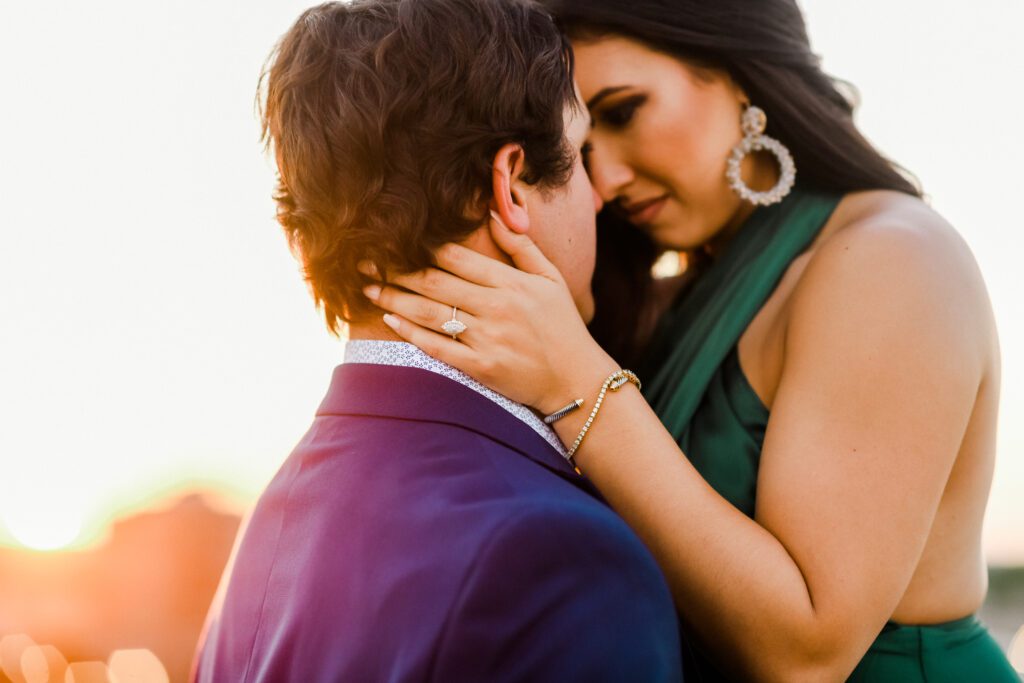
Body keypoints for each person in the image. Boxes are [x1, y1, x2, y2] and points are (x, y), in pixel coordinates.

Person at [361, 0, 1020, 680]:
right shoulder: (677, 295)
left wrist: (573, 377)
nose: (606, 178)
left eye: (623, 112)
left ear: (735, 68)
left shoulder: (892, 260)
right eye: (583, 145)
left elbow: (809, 653)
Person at [190, 1, 684, 681]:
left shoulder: (260, 541)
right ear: (510, 185)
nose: (599, 197)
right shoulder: (562, 559)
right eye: (578, 152)